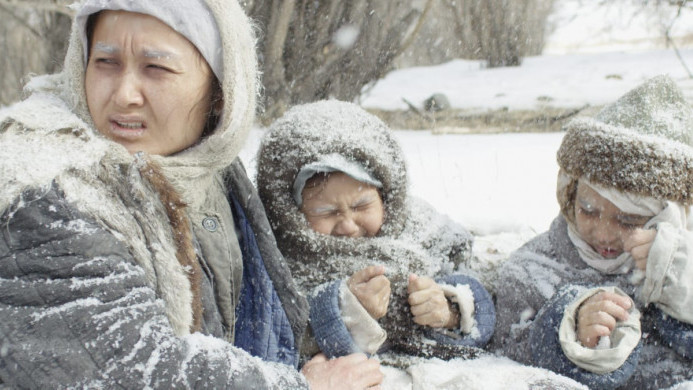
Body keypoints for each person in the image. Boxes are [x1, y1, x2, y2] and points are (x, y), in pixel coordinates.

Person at [0, 1, 383, 388]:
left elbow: (247, 327)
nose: (124, 94)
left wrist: (338, 316)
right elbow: (132, 367)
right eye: (105, 62)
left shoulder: (206, 169)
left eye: (156, 68)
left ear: (219, 87)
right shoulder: (42, 188)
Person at [255, 100, 496, 365]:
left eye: (362, 205)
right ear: (289, 214)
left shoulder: (423, 229)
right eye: (325, 212)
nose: (347, 225)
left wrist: (451, 310)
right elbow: (270, 333)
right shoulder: (270, 261)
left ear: (387, 197)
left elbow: (486, 283)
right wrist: (342, 312)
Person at [490, 75, 693, 389]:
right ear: (569, 197)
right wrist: (566, 330)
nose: (605, 233)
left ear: (672, 216)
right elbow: (509, 344)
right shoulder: (535, 268)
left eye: (628, 220)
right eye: (588, 210)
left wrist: (680, 279)